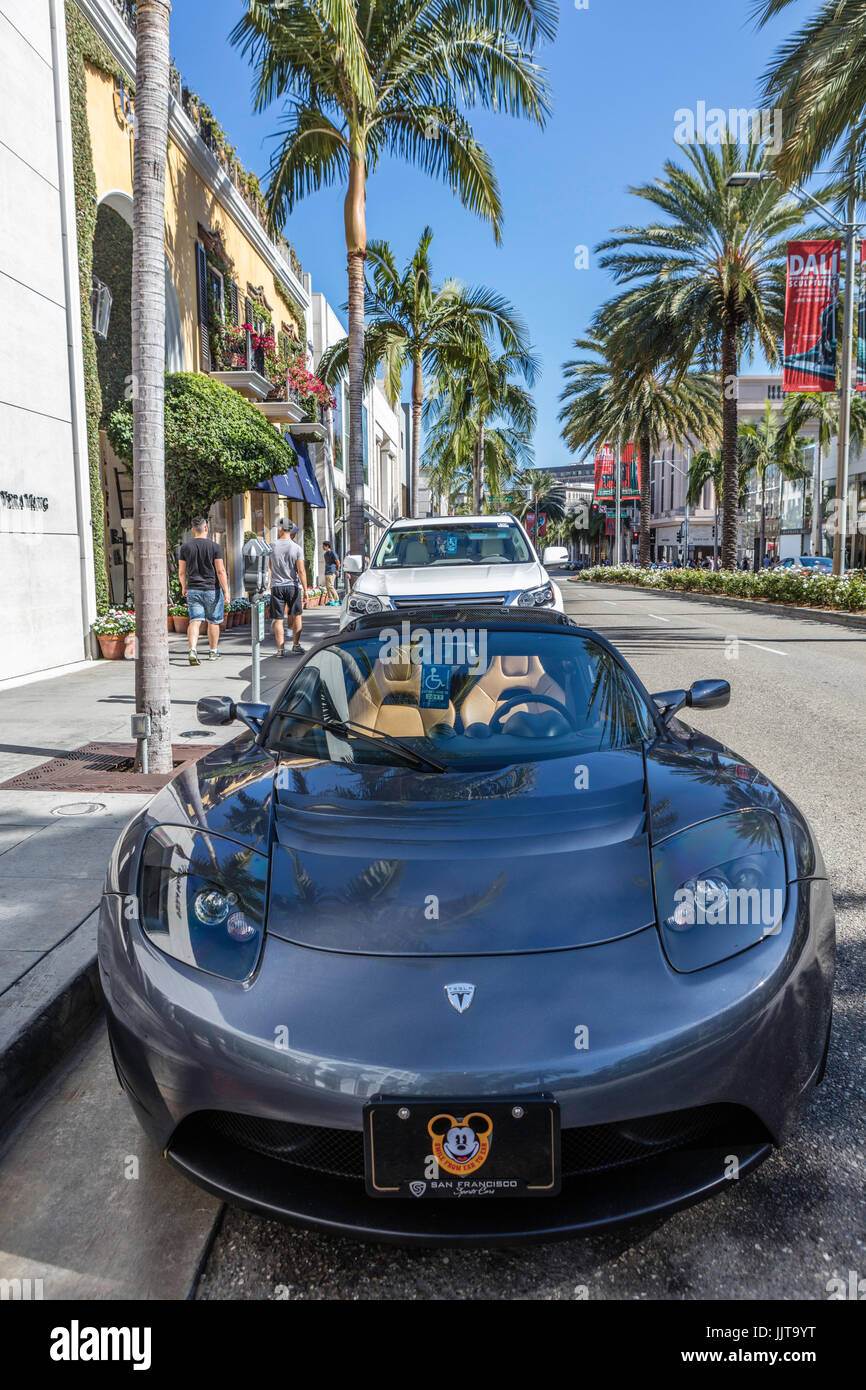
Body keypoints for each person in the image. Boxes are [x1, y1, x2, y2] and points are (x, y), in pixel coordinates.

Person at [178, 516, 229, 666]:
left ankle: (193, 650)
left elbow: (182, 572)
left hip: (193, 589)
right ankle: (213, 652)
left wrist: (184, 586)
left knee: (195, 620)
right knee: (213, 622)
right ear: (206, 528)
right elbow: (220, 570)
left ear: (193, 529)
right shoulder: (215, 547)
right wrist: (226, 591)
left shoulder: (185, 548)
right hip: (212, 589)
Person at [269, 518, 308, 656]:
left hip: (277, 586)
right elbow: (301, 570)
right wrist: (306, 590)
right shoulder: (297, 548)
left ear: (280, 529)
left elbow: (270, 566)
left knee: (278, 619)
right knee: (297, 616)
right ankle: (296, 645)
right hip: (292, 586)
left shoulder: (272, 546)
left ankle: (280, 650)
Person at [322, 539, 341, 604]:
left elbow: (338, 562)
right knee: (327, 587)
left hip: (332, 571)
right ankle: (331, 600)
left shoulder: (332, 552)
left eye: (324, 546)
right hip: (327, 571)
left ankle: (337, 600)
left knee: (330, 586)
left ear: (327, 546)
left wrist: (338, 571)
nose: (323, 547)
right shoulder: (325, 554)